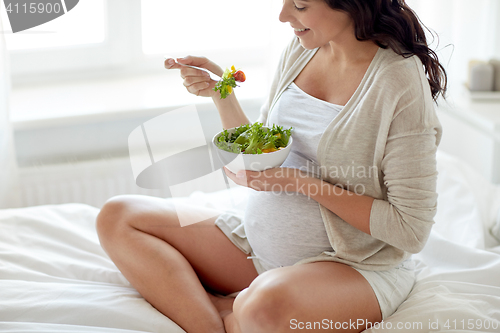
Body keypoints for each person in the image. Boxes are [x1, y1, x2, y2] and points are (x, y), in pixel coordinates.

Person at [96, 0, 447, 332]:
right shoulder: (302, 49)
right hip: (256, 248)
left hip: (353, 266)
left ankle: (230, 312)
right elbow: (265, 148)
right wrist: (223, 95)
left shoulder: (398, 80)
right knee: (118, 216)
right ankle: (217, 322)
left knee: (263, 308)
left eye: (300, 6)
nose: (283, 16)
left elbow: (411, 230)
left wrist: (301, 183)